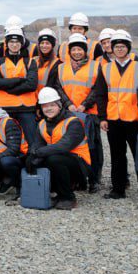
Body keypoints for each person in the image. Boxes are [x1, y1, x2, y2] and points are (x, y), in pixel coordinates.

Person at [47, 33, 106, 191]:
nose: (77, 52)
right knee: (71, 145)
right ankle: (78, 179)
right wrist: (68, 104)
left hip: (89, 113)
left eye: (80, 49)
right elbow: (58, 87)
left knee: (93, 147)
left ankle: (94, 179)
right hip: (68, 113)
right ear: (69, 51)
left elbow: (98, 88)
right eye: (74, 49)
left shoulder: (95, 66)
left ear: (85, 51)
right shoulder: (61, 67)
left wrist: (85, 104)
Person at [28, 87, 91, 210]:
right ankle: (56, 193)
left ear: (60, 105)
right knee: (37, 159)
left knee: (53, 159)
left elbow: (64, 146)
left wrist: (38, 153)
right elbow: (37, 145)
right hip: (61, 160)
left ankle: (68, 197)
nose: (48, 109)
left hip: (80, 165)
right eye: (45, 106)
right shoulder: (42, 124)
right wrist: (32, 156)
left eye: (52, 105)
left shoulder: (73, 122)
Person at [102, 29, 138, 200]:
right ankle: (118, 189)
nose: (119, 49)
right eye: (116, 46)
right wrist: (102, 118)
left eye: (123, 46)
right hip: (114, 119)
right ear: (112, 48)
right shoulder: (105, 68)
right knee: (117, 156)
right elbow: (101, 94)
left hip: (134, 120)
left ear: (128, 48)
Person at [0, 26, 40, 148]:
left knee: (32, 142)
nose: (14, 44)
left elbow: (32, 84)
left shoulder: (30, 62)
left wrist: (7, 87)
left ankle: (31, 164)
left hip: (26, 109)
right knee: (6, 141)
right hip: (6, 109)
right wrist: (19, 80)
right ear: (7, 44)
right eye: (11, 42)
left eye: (17, 41)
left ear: (21, 43)